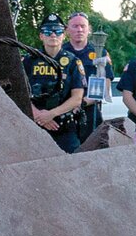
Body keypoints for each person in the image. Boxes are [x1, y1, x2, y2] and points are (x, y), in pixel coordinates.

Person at [25, 14, 86, 152]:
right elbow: (19, 91)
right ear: (41, 36)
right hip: (34, 125)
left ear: (63, 35)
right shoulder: (29, 61)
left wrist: (51, 114)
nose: (53, 35)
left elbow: (77, 98)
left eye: (58, 31)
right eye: (47, 32)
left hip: (64, 128)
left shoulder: (72, 62)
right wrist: (38, 115)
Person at [64, 12, 115, 142]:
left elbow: (105, 85)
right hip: (63, 111)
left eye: (83, 26)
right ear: (67, 30)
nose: (79, 29)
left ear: (89, 30)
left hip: (90, 112)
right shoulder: (60, 52)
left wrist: (82, 103)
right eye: (75, 26)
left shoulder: (100, 52)